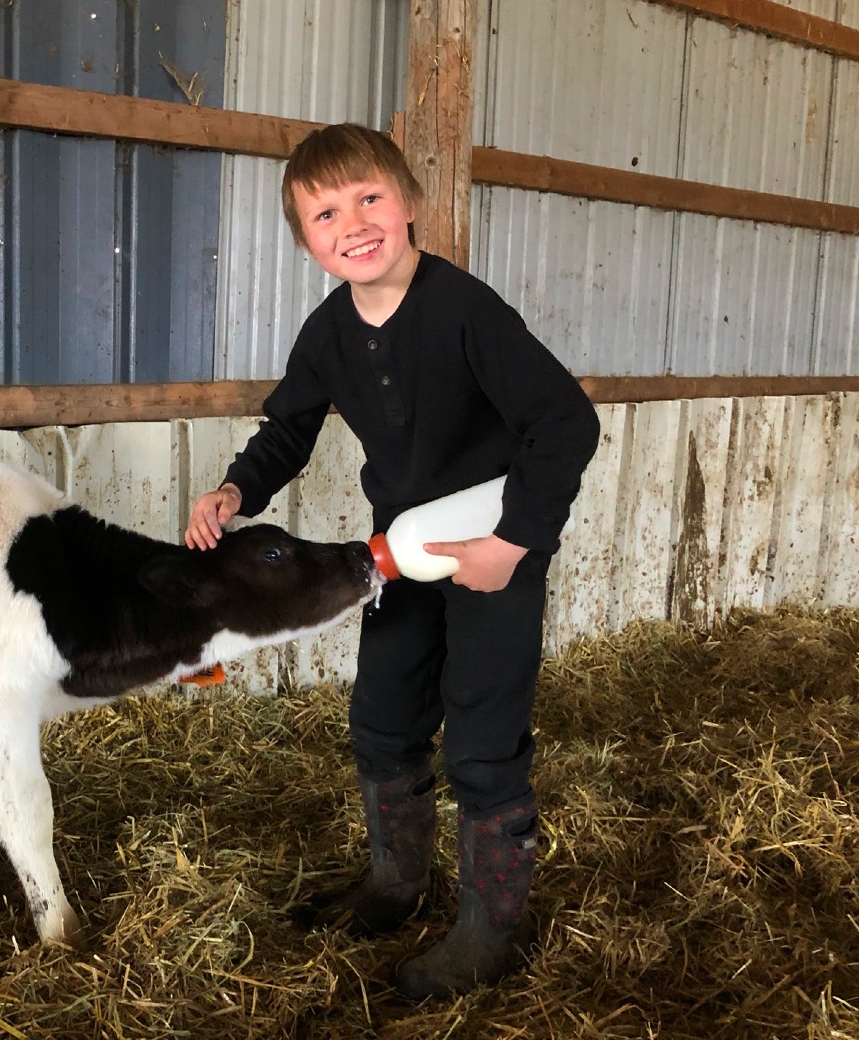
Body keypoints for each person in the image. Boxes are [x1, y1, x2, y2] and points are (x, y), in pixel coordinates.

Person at [184, 123, 599, 998]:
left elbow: (565, 420)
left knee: (483, 741)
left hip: (490, 548)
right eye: (327, 213)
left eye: (370, 197)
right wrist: (233, 490)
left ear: (408, 202)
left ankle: (492, 931)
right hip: (400, 555)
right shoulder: (329, 330)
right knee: (382, 716)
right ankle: (395, 883)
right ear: (308, 242)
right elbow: (290, 427)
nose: (355, 222)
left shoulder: (464, 309)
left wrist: (515, 541)